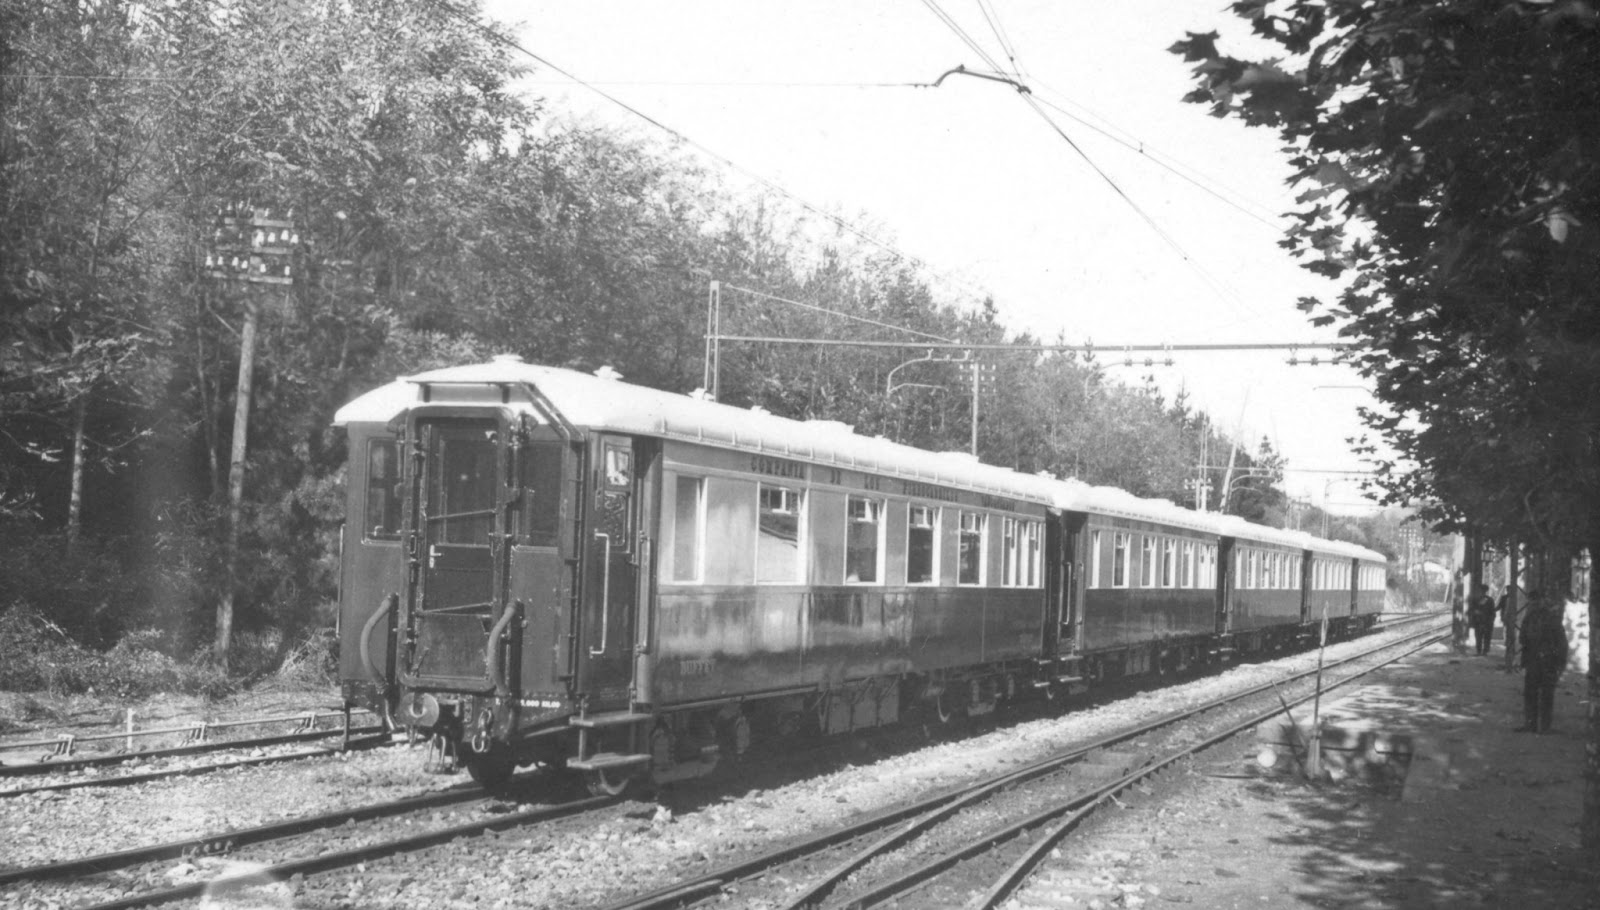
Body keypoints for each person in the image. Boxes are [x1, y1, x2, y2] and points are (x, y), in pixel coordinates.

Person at [1516, 591, 1570, 733]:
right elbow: (1523, 639)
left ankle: (1540, 726)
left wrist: (1560, 663)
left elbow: (1561, 642)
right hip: (1537, 661)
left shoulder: (1548, 618)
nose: (1533, 604)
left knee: (1542, 694)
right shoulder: (1533, 617)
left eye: (1535, 601)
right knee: (1534, 694)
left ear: (1541, 601)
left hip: (1546, 661)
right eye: (1532, 601)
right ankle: (1535, 725)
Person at [1466, 582, 1496, 656]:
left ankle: (1483, 651)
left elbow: (1492, 612)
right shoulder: (1478, 600)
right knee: (1481, 637)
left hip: (1484, 622)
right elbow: (1470, 611)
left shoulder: (1487, 600)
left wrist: (1490, 620)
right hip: (1480, 622)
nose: (1481, 592)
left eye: (1482, 590)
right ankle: (1481, 651)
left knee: (1483, 637)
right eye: (1481, 590)